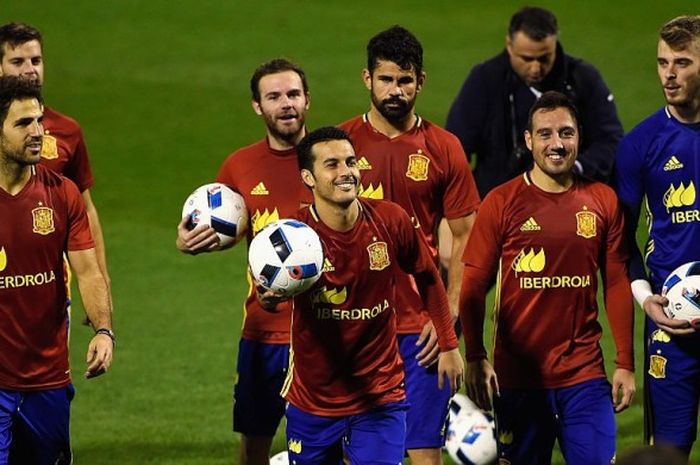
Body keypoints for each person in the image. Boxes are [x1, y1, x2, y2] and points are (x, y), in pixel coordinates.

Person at [461, 91, 635, 465]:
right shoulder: (501, 201)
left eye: (566, 133)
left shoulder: (602, 201)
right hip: (519, 379)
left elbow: (617, 282)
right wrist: (474, 356)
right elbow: (474, 283)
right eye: (545, 134)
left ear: (579, 137)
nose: (557, 144)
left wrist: (625, 362)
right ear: (528, 140)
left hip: (585, 376)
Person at [338, 26, 479, 465]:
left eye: (404, 80)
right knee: (360, 450)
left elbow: (466, 236)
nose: (395, 91)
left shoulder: (444, 147)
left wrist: (449, 311)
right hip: (357, 324)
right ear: (367, 79)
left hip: (422, 329)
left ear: (421, 81)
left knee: (423, 452)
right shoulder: (341, 147)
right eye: (386, 79)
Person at [283, 126, 463, 465]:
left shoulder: (390, 220)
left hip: (381, 396)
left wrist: (449, 342)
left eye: (351, 162)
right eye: (332, 164)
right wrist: (268, 295)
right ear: (308, 177)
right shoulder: (294, 237)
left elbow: (428, 276)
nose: (347, 172)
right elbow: (268, 299)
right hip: (315, 400)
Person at [176, 58, 311, 465]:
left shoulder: (329, 159)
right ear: (257, 106)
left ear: (308, 99)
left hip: (322, 330)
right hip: (262, 333)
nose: (286, 104)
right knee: (254, 445)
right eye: (274, 96)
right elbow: (227, 229)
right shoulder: (239, 166)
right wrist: (190, 240)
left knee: (325, 446)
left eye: (293, 94)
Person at [0, 76, 114, 465]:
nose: (37, 132)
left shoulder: (61, 193)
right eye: (22, 123)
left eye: (39, 120)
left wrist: (103, 329)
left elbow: (88, 271)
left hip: (47, 375)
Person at [614, 15, 700, 457]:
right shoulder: (640, 144)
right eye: (663, 62)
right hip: (670, 324)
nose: (669, 73)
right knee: (668, 452)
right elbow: (621, 238)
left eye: (682, 62)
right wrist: (644, 296)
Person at [446, 6, 623, 198]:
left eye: (544, 58)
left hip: (570, 204)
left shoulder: (583, 79)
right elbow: (454, 148)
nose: (536, 68)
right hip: (500, 208)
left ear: (555, 44)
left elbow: (610, 141)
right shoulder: (485, 79)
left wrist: (576, 169)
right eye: (527, 59)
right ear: (509, 45)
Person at [0, 22, 111, 296]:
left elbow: (85, 209)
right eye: (17, 61)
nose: (30, 70)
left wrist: (101, 279)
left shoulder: (66, 131)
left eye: (36, 60)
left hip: (46, 284)